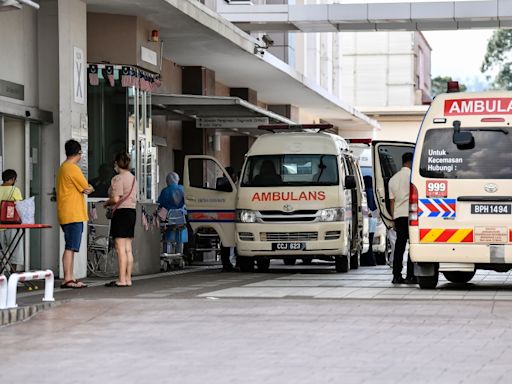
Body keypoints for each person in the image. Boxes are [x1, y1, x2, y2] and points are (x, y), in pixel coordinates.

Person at [56, 140, 94, 288]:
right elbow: (87, 188)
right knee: (70, 246)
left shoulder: (63, 168)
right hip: (73, 213)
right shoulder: (72, 168)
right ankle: (68, 279)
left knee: (70, 245)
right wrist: (89, 188)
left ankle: (70, 277)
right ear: (79, 153)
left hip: (65, 212)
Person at [104, 153, 137, 287]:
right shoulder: (133, 178)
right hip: (131, 213)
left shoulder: (117, 179)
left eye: (115, 164)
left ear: (117, 164)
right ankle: (128, 279)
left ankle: (121, 279)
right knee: (128, 248)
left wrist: (106, 203)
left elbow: (115, 199)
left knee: (120, 248)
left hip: (121, 214)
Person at [389, 152, 415, 285]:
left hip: (398, 216)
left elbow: (392, 202)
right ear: (410, 162)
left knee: (400, 246)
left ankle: (396, 276)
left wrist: (393, 219)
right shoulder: (413, 177)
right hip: (411, 215)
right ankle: (411, 275)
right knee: (413, 246)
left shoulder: (393, 179)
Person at [157, 172, 188, 254]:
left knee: (168, 236)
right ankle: (179, 254)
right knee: (180, 236)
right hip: (180, 218)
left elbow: (160, 204)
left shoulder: (165, 191)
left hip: (168, 218)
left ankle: (167, 253)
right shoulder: (182, 189)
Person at [0, 169, 23, 272]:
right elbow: (20, 207)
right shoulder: (15, 190)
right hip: (11, 225)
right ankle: (13, 276)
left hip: (0, 226)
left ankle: (1, 277)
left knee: (1, 253)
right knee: (15, 250)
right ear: (13, 179)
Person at [217, 167, 238, 271]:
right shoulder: (235, 186)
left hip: (225, 217)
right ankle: (231, 263)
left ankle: (226, 263)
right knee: (233, 240)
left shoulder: (221, 185)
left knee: (225, 241)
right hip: (233, 217)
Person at [361, 175, 377, 266]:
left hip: (367, 219)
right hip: (373, 220)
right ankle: (371, 260)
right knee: (370, 241)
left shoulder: (366, 192)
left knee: (367, 241)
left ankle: (367, 260)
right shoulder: (373, 192)